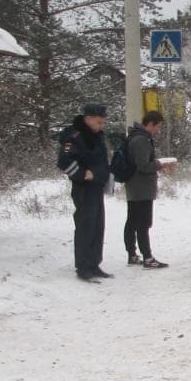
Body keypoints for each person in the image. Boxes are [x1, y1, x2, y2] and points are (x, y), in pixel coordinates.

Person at [58, 101, 112, 281]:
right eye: (99, 122)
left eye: (103, 122)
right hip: (84, 188)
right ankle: (83, 267)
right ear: (88, 119)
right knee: (85, 226)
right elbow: (64, 162)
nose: (101, 125)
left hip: (96, 186)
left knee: (98, 226)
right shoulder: (75, 136)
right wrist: (82, 174)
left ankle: (94, 263)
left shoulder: (97, 136)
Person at [122, 110, 175, 267]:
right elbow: (144, 165)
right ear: (150, 124)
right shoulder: (142, 140)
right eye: (157, 127)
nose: (157, 131)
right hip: (141, 187)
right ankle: (147, 257)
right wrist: (161, 164)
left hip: (134, 185)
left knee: (132, 221)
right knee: (143, 223)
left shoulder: (133, 136)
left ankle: (132, 254)